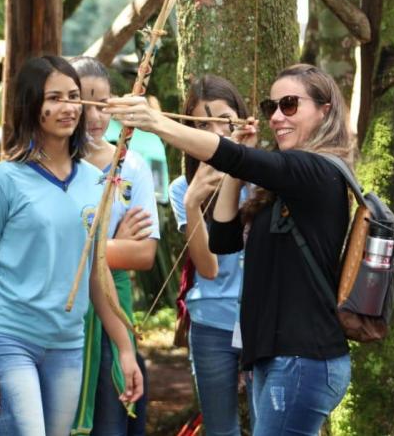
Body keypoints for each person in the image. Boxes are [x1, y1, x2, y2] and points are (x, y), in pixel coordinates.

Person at [108, 64, 354, 435]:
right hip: (278, 356)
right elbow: (223, 239)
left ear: (325, 109)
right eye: (271, 106)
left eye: (289, 105)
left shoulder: (318, 170)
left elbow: (235, 158)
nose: (275, 116)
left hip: (303, 357)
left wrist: (157, 122)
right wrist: (228, 174)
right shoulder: (283, 182)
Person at [0, 55, 143, 436]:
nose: (68, 107)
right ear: (32, 105)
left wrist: (125, 349)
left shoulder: (96, 183)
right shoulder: (3, 179)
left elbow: (96, 275)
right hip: (10, 338)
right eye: (54, 97)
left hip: (67, 344)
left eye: (74, 97)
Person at [70, 56, 160, 436]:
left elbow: (144, 254)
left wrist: (95, 249)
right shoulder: (52, 166)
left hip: (113, 310)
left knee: (111, 420)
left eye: (103, 104)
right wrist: (112, 246)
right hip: (61, 315)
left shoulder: (131, 166)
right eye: (85, 103)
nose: (96, 116)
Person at [167, 75, 254, 436]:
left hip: (262, 321)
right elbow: (208, 267)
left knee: (271, 424)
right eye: (202, 124)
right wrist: (193, 203)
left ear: (242, 120)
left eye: (225, 119)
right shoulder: (182, 189)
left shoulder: (263, 179)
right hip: (211, 324)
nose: (216, 131)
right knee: (221, 430)